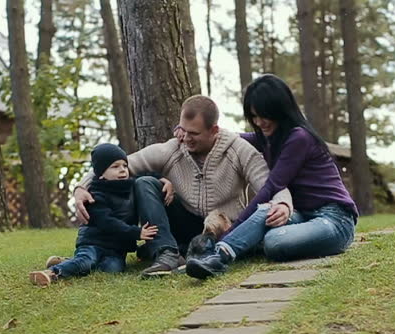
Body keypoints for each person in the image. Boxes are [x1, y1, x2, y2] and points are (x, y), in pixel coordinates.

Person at [73, 95, 293, 277]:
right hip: (182, 223)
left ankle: (197, 252)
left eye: (194, 134)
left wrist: (283, 203)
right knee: (145, 183)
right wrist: (81, 188)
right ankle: (166, 253)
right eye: (182, 130)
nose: (185, 138)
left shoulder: (239, 150)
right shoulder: (173, 148)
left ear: (214, 130)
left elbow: (270, 183)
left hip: (221, 227)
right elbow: (119, 163)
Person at [184, 74, 359, 279]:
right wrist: (193, 133)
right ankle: (222, 252)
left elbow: (270, 187)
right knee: (267, 212)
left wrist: (233, 229)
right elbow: (233, 139)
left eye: (263, 115)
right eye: (253, 116)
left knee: (274, 242)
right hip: (301, 215)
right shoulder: (269, 137)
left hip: (335, 221)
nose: (259, 122)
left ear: (279, 109)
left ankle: (219, 256)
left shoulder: (299, 138)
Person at [29, 144, 158, 286]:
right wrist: (136, 232)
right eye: (115, 167)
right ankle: (52, 272)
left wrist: (163, 180)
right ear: (101, 173)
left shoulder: (131, 186)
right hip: (94, 242)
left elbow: (148, 176)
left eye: (124, 166)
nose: (122, 170)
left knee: (112, 269)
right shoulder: (95, 195)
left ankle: (68, 262)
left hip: (116, 249)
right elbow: (107, 222)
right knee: (86, 261)